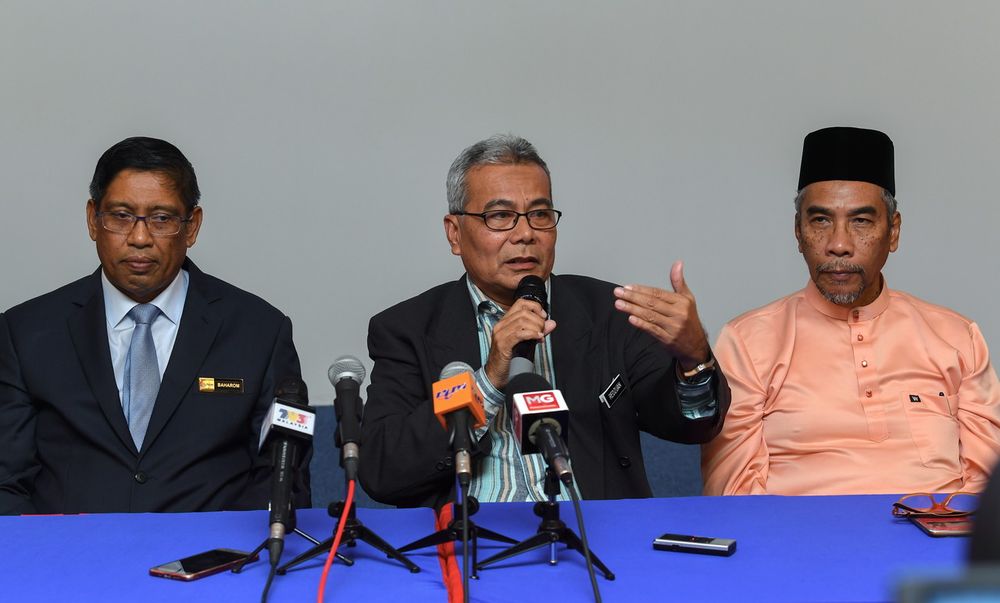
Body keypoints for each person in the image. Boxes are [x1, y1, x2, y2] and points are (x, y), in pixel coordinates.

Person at [359, 134, 729, 508]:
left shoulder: (609, 313)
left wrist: (694, 359)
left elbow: (691, 426)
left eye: (539, 215)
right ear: (455, 233)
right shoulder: (407, 329)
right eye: (500, 216)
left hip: (588, 534)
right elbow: (383, 471)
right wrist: (487, 381)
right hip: (469, 540)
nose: (525, 234)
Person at [0, 137, 308, 514]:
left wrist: (230, 559)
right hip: (69, 560)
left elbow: (281, 479)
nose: (140, 238)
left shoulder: (259, 331)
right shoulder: (26, 332)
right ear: (92, 220)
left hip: (212, 563)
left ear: (191, 227)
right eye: (121, 216)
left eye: (161, 219)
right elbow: (6, 481)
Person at [701, 126, 1000, 496]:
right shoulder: (748, 341)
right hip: (800, 546)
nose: (839, 244)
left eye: (861, 221)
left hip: (930, 545)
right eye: (820, 220)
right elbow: (731, 496)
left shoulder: (957, 337)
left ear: (893, 232)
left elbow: (988, 495)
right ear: (798, 231)